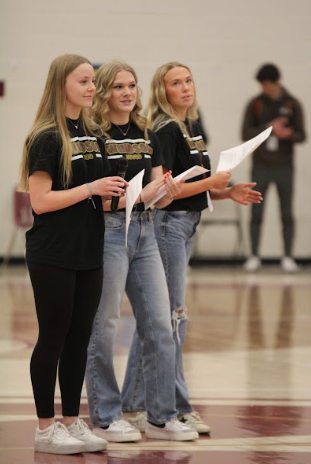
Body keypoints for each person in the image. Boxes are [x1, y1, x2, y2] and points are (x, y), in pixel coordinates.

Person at [121, 61, 262, 434]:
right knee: (171, 321)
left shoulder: (192, 126)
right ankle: (177, 405)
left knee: (159, 322)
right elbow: (169, 192)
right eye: (175, 83)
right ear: (161, 91)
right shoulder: (165, 128)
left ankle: (134, 403)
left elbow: (198, 182)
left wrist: (226, 191)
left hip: (187, 226)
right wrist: (212, 182)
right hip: (168, 225)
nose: (185, 88)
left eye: (188, 80)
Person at [19, 54, 128, 455]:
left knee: (80, 338)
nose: (91, 88)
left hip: (89, 249)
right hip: (53, 252)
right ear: (61, 84)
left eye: (92, 82)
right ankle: (46, 427)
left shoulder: (93, 134)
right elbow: (41, 201)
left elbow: (102, 198)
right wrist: (91, 189)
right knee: (53, 337)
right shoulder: (46, 135)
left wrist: (143, 197)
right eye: (83, 81)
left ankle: (71, 420)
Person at [85, 60, 199, 443]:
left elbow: (155, 185)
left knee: (161, 327)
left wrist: (165, 189)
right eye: (118, 86)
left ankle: (161, 416)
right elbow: (94, 198)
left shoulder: (145, 127)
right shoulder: (94, 133)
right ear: (104, 91)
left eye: (131, 85)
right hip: (110, 233)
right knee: (105, 328)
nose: (127, 92)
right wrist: (140, 196)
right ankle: (105, 415)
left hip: (147, 231)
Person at [242, 63, 306, 272]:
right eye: (263, 85)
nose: (265, 89)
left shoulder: (292, 103)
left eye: (268, 85)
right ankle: (254, 255)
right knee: (256, 212)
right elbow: (246, 134)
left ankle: (288, 256)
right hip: (261, 165)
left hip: (284, 165)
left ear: (276, 82)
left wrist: (288, 135)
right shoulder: (255, 104)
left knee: (286, 212)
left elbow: (302, 134)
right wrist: (269, 128)